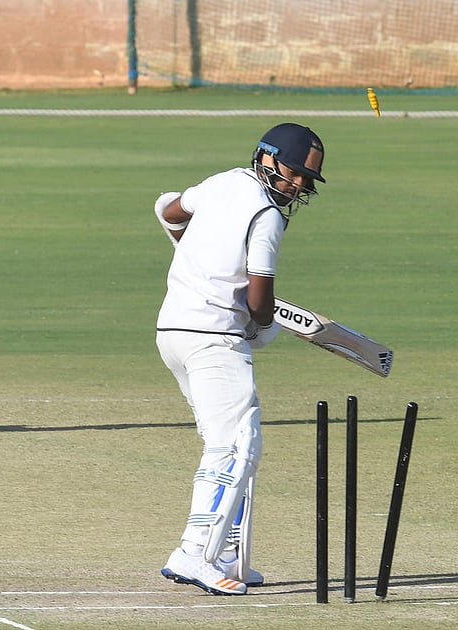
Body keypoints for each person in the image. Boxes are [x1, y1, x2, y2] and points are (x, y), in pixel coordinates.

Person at [154, 123, 326, 595]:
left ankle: (228, 554)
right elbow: (259, 303)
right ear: (267, 159)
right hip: (213, 338)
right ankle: (194, 554)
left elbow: (167, 210)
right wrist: (264, 328)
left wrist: (195, 255)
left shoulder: (222, 182)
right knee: (235, 446)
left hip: (172, 331)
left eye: (306, 180)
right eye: (294, 174)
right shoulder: (267, 215)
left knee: (229, 441)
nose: (298, 186)